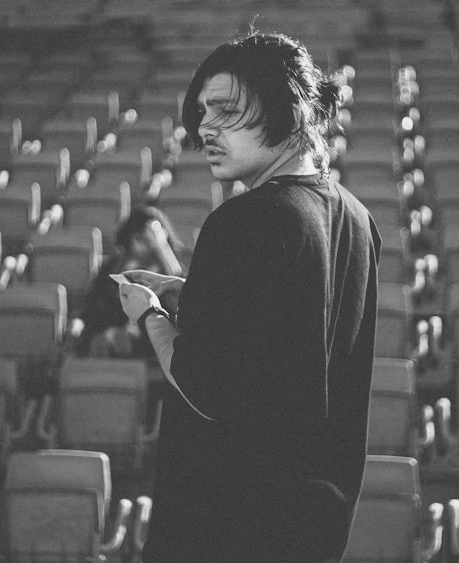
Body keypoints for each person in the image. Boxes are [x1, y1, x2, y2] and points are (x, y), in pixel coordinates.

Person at [117, 31, 382, 562]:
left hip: (226, 523)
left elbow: (205, 387)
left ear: (286, 106)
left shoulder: (242, 222)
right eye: (200, 114)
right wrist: (195, 296)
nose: (204, 128)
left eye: (225, 109)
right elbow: (292, 329)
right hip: (313, 522)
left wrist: (148, 314)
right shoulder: (356, 217)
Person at [78, 205, 184, 357]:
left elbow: (182, 293)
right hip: (114, 326)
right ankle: (110, 342)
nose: (147, 245)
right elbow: (93, 302)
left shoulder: (169, 267)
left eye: (151, 240)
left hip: (152, 339)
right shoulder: (113, 265)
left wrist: (161, 247)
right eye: (141, 239)